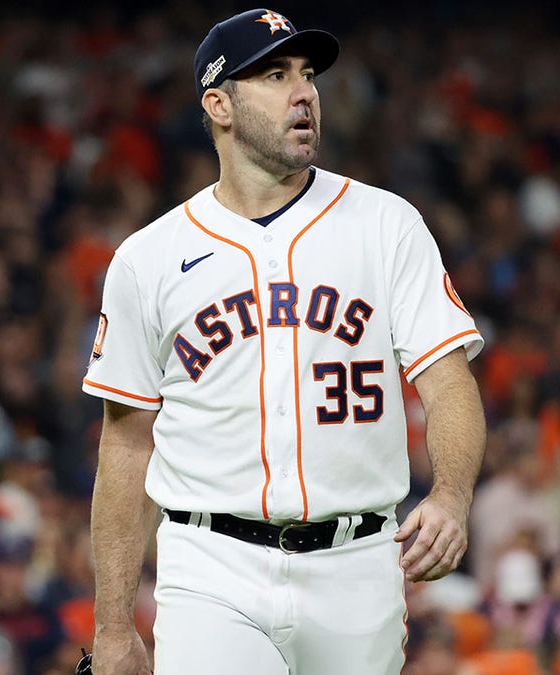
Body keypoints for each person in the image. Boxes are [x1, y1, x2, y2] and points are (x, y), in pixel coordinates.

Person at [80, 8, 486, 674]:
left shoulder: (387, 224)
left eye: (307, 74)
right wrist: (114, 624)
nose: (304, 92)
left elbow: (446, 382)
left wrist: (450, 495)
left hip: (358, 563)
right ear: (219, 104)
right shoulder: (148, 258)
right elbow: (126, 443)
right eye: (274, 75)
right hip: (211, 565)